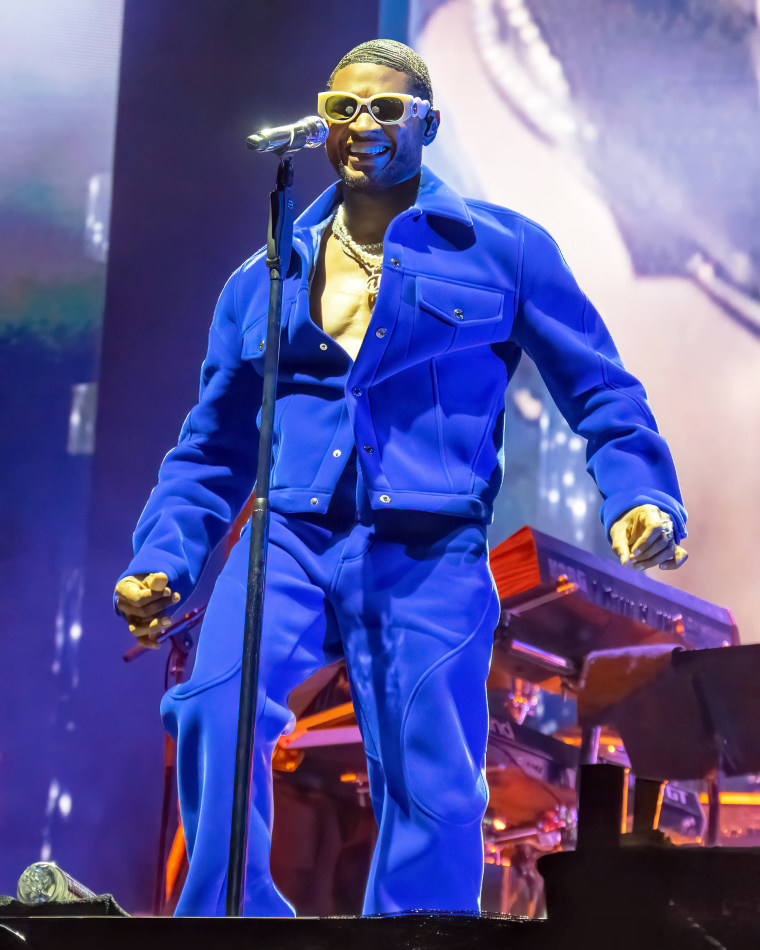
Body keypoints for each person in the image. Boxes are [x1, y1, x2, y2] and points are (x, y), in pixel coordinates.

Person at [114, 40, 688, 917]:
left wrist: (641, 492)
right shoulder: (266, 277)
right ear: (319, 122)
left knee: (432, 781)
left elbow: (601, 386)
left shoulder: (505, 250)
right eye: (343, 110)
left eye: (387, 110)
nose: (363, 128)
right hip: (289, 540)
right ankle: (228, 925)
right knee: (210, 708)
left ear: (427, 122)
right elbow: (213, 447)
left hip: (428, 550)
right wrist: (165, 559)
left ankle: (417, 940)